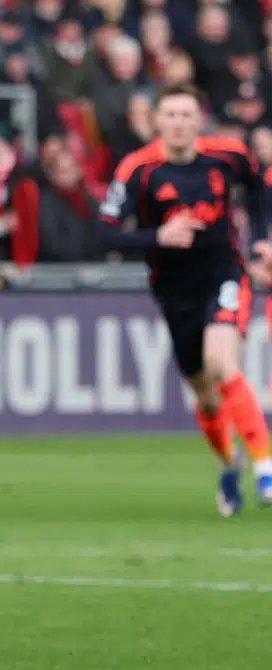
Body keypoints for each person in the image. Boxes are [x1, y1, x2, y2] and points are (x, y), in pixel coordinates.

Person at [99, 84, 272, 515]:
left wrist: (261, 241)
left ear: (199, 121)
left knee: (221, 362)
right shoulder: (138, 169)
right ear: (157, 121)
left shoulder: (229, 155)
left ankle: (265, 465)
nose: (178, 123)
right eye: (171, 115)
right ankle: (229, 463)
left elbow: (259, 188)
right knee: (206, 397)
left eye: (186, 115)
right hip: (175, 292)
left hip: (224, 274)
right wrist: (156, 236)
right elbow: (104, 230)